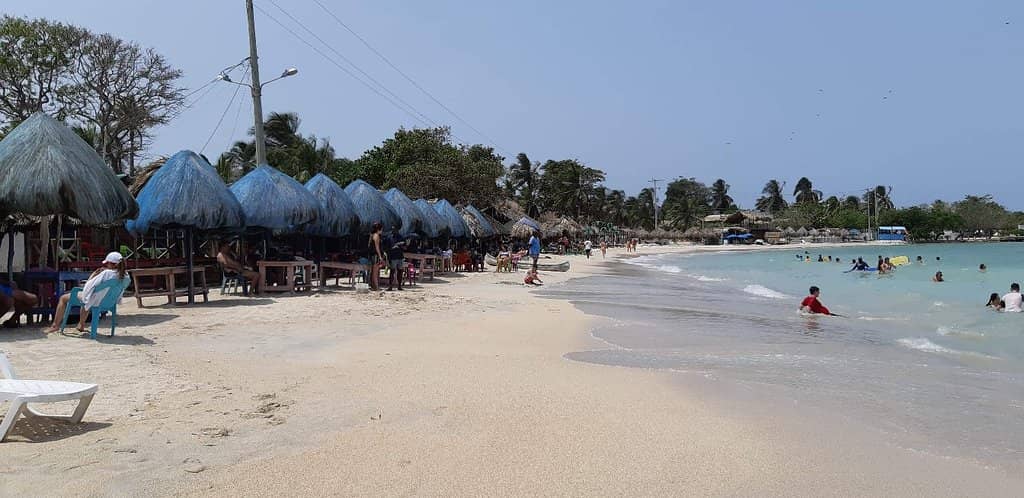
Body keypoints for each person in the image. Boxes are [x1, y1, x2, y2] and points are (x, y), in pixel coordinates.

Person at [46, 252, 126, 333]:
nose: (106, 266)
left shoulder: (106, 273)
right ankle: (81, 324)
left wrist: (94, 274)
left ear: (111, 264)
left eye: (107, 264)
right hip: (110, 302)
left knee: (64, 298)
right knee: (88, 297)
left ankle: (55, 325)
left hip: (96, 300)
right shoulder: (125, 276)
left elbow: (88, 286)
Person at [384, 227, 407, 291]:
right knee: (392, 271)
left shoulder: (401, 237)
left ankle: (399, 286)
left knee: (400, 271)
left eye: (395, 229)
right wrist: (388, 257)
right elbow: (386, 248)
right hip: (393, 256)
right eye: (393, 229)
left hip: (400, 256)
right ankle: (390, 286)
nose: (394, 230)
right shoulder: (389, 237)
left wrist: (400, 245)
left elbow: (405, 247)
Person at [368, 222, 385, 291]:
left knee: (373, 272)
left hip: (372, 255)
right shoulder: (376, 236)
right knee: (375, 272)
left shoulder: (372, 235)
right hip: (375, 255)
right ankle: (377, 287)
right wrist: (380, 256)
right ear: (379, 229)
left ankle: (373, 286)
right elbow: (377, 247)